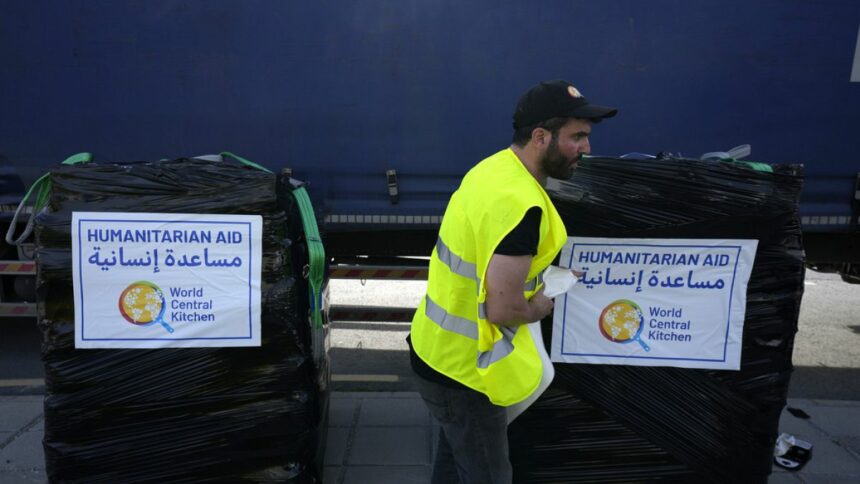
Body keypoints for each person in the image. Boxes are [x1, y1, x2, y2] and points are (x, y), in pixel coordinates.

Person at [407, 79, 617, 483]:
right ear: (541, 137)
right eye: (577, 137)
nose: (586, 149)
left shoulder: (493, 169)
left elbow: (486, 260)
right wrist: (540, 304)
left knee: (456, 462)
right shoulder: (521, 205)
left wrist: (544, 275)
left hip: (438, 351)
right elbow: (504, 308)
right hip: (466, 374)